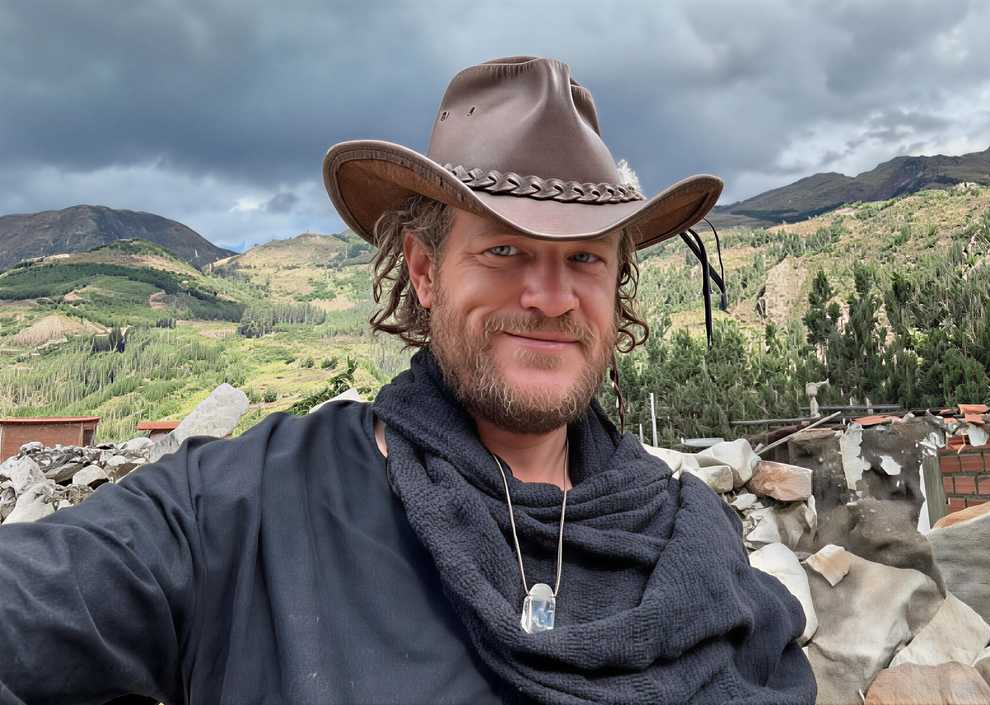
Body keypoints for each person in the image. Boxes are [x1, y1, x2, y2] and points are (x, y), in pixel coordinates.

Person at [0, 56, 815, 704]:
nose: (550, 296)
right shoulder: (245, 508)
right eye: (504, 249)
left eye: (584, 258)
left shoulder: (688, 538)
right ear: (425, 272)